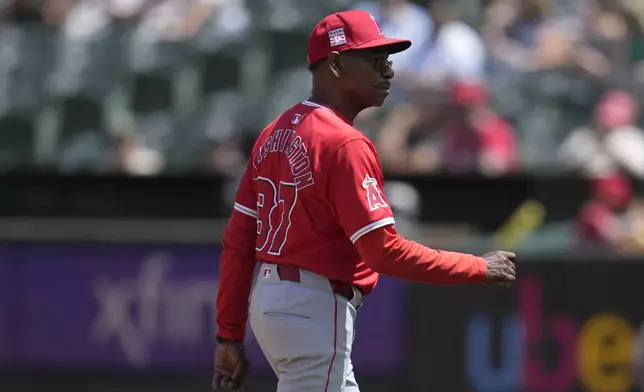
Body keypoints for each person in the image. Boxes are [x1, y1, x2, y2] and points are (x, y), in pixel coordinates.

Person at [213, 10, 517, 392]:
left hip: (274, 300)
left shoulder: (273, 133)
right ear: (337, 64)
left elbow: (238, 244)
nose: (388, 71)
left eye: (387, 60)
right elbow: (383, 252)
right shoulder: (344, 144)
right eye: (375, 61)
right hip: (313, 306)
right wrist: (475, 266)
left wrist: (229, 334)